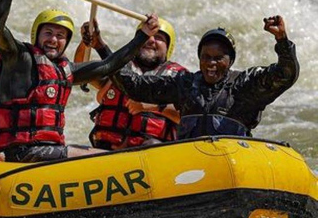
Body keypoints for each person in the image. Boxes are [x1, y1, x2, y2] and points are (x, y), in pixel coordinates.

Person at [0, 0, 160, 162]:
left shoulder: (66, 70)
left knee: (97, 154)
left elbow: (109, 65)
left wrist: (143, 35)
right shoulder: (19, 58)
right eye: (48, 33)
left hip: (49, 152)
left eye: (60, 36)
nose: (54, 39)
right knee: (106, 158)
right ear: (37, 35)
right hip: (23, 152)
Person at [112, 16, 298, 138]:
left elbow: (286, 74)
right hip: (191, 165)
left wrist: (282, 40)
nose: (211, 63)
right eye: (206, 57)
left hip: (232, 165)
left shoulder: (245, 85)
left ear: (231, 61)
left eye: (218, 58)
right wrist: (104, 51)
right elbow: (133, 86)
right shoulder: (185, 84)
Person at [80, 17, 187, 149]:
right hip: (105, 153)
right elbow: (80, 69)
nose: (151, 40)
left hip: (151, 157)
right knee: (71, 151)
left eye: (159, 37)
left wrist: (153, 106)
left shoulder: (179, 78)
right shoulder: (116, 67)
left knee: (152, 145)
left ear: (168, 47)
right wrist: (87, 42)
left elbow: (191, 116)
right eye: (147, 36)